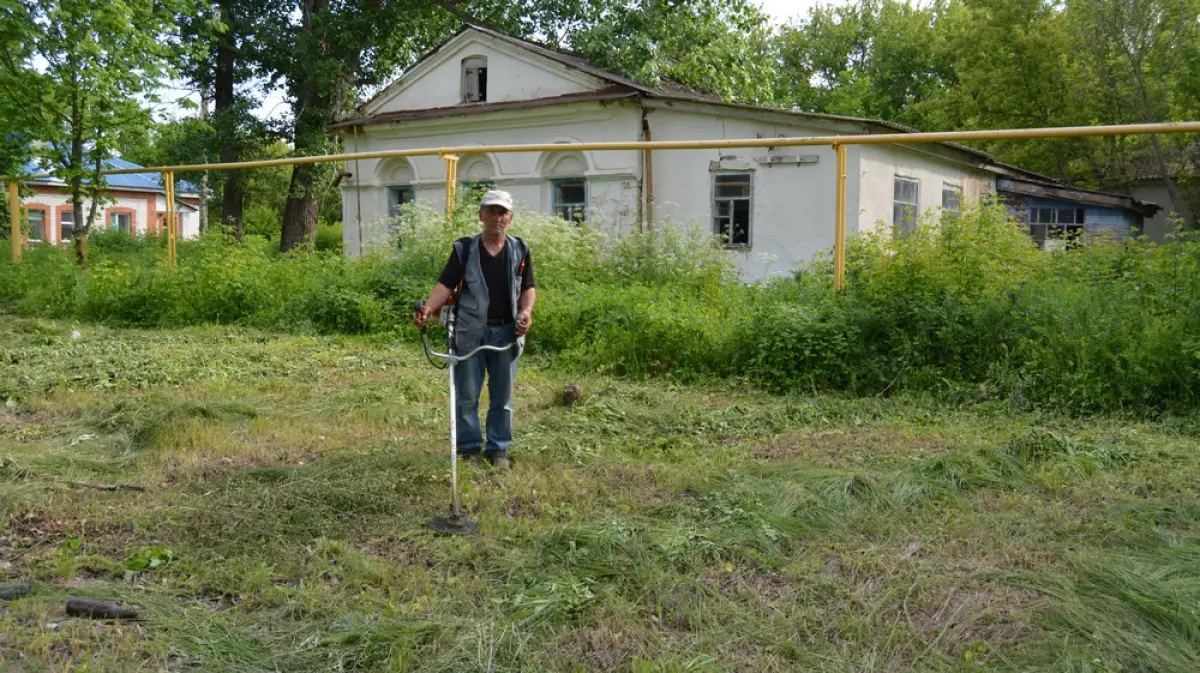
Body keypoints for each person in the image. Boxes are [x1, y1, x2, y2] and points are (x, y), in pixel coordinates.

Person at [413, 190, 535, 469]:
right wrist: (429, 309)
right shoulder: (464, 250)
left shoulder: (520, 250)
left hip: (505, 333)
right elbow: (445, 286)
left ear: (510, 218)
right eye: (491, 211)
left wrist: (526, 312)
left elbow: (528, 288)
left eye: (502, 212)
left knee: (502, 397)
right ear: (481, 215)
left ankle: (498, 449)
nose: (497, 217)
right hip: (469, 333)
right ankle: (468, 449)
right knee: (467, 395)